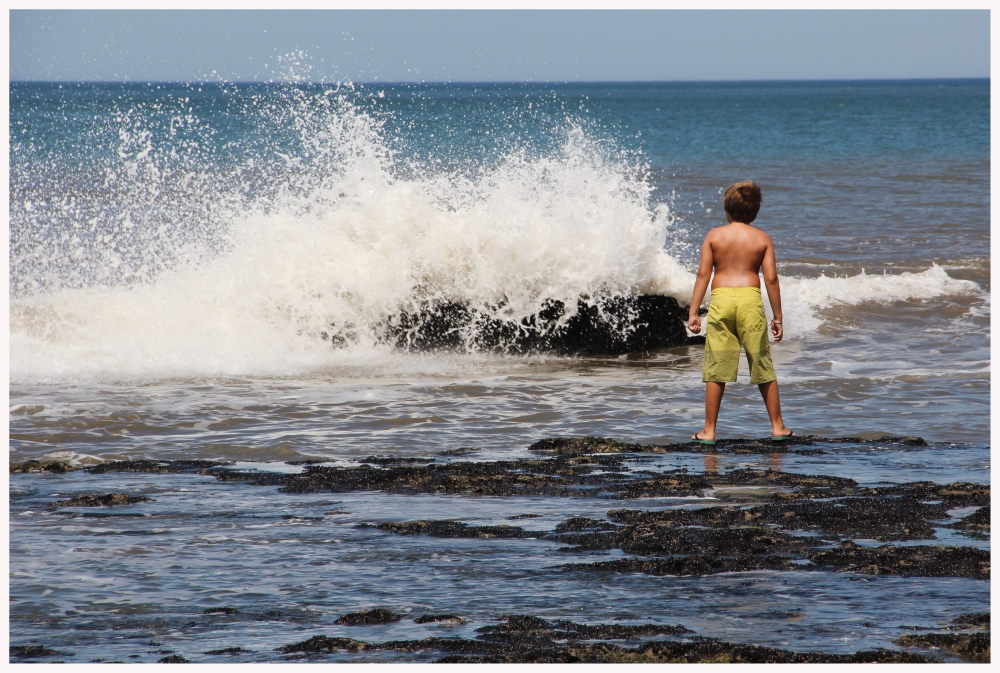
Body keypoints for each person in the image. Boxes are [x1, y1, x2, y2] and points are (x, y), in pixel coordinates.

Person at [686, 180, 794, 445]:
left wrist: (693, 313)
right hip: (750, 301)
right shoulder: (762, 239)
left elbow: (703, 275)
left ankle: (708, 431)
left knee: (717, 366)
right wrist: (777, 316)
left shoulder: (714, 236)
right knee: (761, 363)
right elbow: (771, 280)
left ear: (727, 210)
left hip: (721, 300)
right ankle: (778, 426)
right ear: (755, 212)